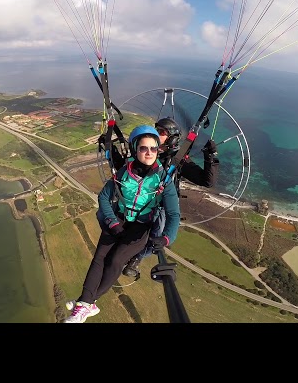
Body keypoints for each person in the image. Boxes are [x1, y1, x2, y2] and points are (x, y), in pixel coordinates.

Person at [63, 125, 181, 323]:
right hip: (118, 219)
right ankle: (85, 304)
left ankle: (84, 304)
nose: (150, 152)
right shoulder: (123, 173)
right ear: (136, 149)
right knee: (99, 257)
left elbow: (173, 214)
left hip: (141, 227)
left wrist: (167, 237)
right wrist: (112, 222)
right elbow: (104, 197)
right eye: (144, 148)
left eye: (154, 148)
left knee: (116, 260)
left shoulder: (163, 180)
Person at [121, 116, 220, 278]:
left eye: (161, 132)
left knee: (157, 235)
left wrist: (210, 156)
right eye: (156, 129)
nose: (156, 134)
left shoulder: (178, 160)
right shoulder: (148, 151)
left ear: (171, 138)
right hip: (141, 202)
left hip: (162, 207)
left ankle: (136, 258)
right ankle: (125, 252)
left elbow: (207, 181)